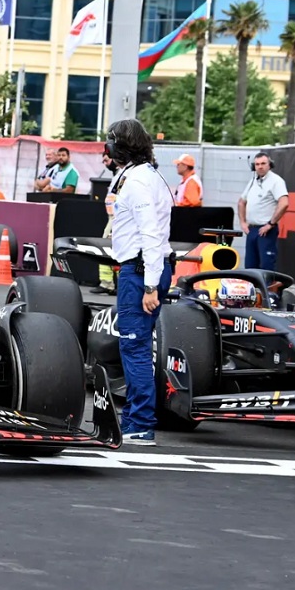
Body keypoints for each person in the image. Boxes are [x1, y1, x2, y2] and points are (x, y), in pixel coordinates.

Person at [106, 119, 174, 446]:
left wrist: (149, 285)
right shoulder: (148, 175)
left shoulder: (138, 182)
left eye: (112, 141)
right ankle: (134, 418)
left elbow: (151, 234)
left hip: (140, 271)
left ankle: (141, 423)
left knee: (135, 347)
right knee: (137, 347)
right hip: (143, 268)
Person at [237, 152, 289, 271]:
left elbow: (284, 203)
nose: (260, 166)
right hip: (252, 229)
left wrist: (271, 223)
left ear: (269, 165)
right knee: (250, 266)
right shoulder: (253, 181)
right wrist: (242, 222)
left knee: (267, 266)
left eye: (263, 163)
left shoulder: (276, 181)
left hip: (266, 230)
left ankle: (268, 289)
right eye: (257, 164)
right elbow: (241, 202)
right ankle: (253, 290)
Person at [93, 147, 123, 295]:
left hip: (117, 218)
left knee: (110, 248)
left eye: (106, 160)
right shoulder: (118, 175)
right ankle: (110, 283)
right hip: (113, 217)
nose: (105, 164)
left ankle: (110, 283)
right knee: (110, 248)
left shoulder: (123, 175)